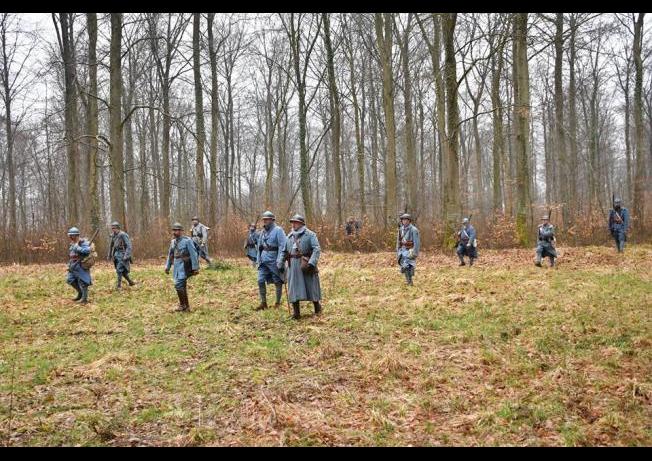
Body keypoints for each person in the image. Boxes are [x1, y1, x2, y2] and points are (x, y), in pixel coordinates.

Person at [281, 214, 322, 320]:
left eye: (295, 222)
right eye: (292, 222)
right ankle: (296, 313)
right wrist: (280, 262)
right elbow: (284, 251)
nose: (293, 224)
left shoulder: (310, 234)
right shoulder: (289, 236)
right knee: (293, 287)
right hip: (292, 266)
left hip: (305, 264)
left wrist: (311, 263)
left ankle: (317, 307)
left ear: (301, 223)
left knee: (311, 286)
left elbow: (316, 249)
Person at [255, 211, 286, 310]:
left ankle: (277, 303)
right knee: (260, 280)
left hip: (274, 260)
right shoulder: (263, 232)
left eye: (267, 219)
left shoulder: (278, 230)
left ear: (272, 220)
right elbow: (259, 246)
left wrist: (280, 260)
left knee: (277, 282)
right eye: (264, 219)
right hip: (263, 261)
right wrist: (258, 260)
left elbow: (283, 246)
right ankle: (263, 303)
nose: (265, 221)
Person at [165, 222, 199, 312]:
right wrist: (167, 267)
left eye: (177, 230)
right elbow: (170, 255)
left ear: (181, 231)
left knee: (178, 285)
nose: (175, 232)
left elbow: (193, 254)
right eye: (174, 230)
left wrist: (195, 267)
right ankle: (186, 307)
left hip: (185, 266)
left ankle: (182, 305)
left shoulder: (187, 241)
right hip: (176, 266)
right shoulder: (173, 242)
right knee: (182, 286)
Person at [66, 227, 92, 304]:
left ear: (76, 235)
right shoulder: (72, 243)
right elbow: (71, 254)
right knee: (70, 280)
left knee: (83, 282)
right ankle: (80, 293)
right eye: (70, 235)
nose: (70, 237)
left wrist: (78, 248)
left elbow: (87, 251)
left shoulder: (83, 242)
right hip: (73, 265)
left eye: (72, 235)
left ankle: (84, 299)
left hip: (81, 265)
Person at [107, 221, 135, 289]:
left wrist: (126, 255)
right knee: (121, 271)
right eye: (112, 228)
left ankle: (119, 286)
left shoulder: (123, 235)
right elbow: (111, 246)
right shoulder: (113, 235)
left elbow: (129, 246)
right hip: (116, 255)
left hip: (123, 254)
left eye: (114, 228)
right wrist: (109, 255)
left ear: (118, 228)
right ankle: (130, 282)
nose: (113, 229)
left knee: (119, 270)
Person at [396, 213, 420, 285]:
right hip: (402, 250)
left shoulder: (414, 230)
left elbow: (417, 242)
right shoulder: (401, 229)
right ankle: (408, 281)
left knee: (408, 265)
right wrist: (397, 250)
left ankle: (410, 282)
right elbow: (398, 241)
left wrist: (415, 253)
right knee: (404, 265)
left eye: (406, 220)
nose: (405, 221)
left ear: (409, 221)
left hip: (410, 250)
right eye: (403, 220)